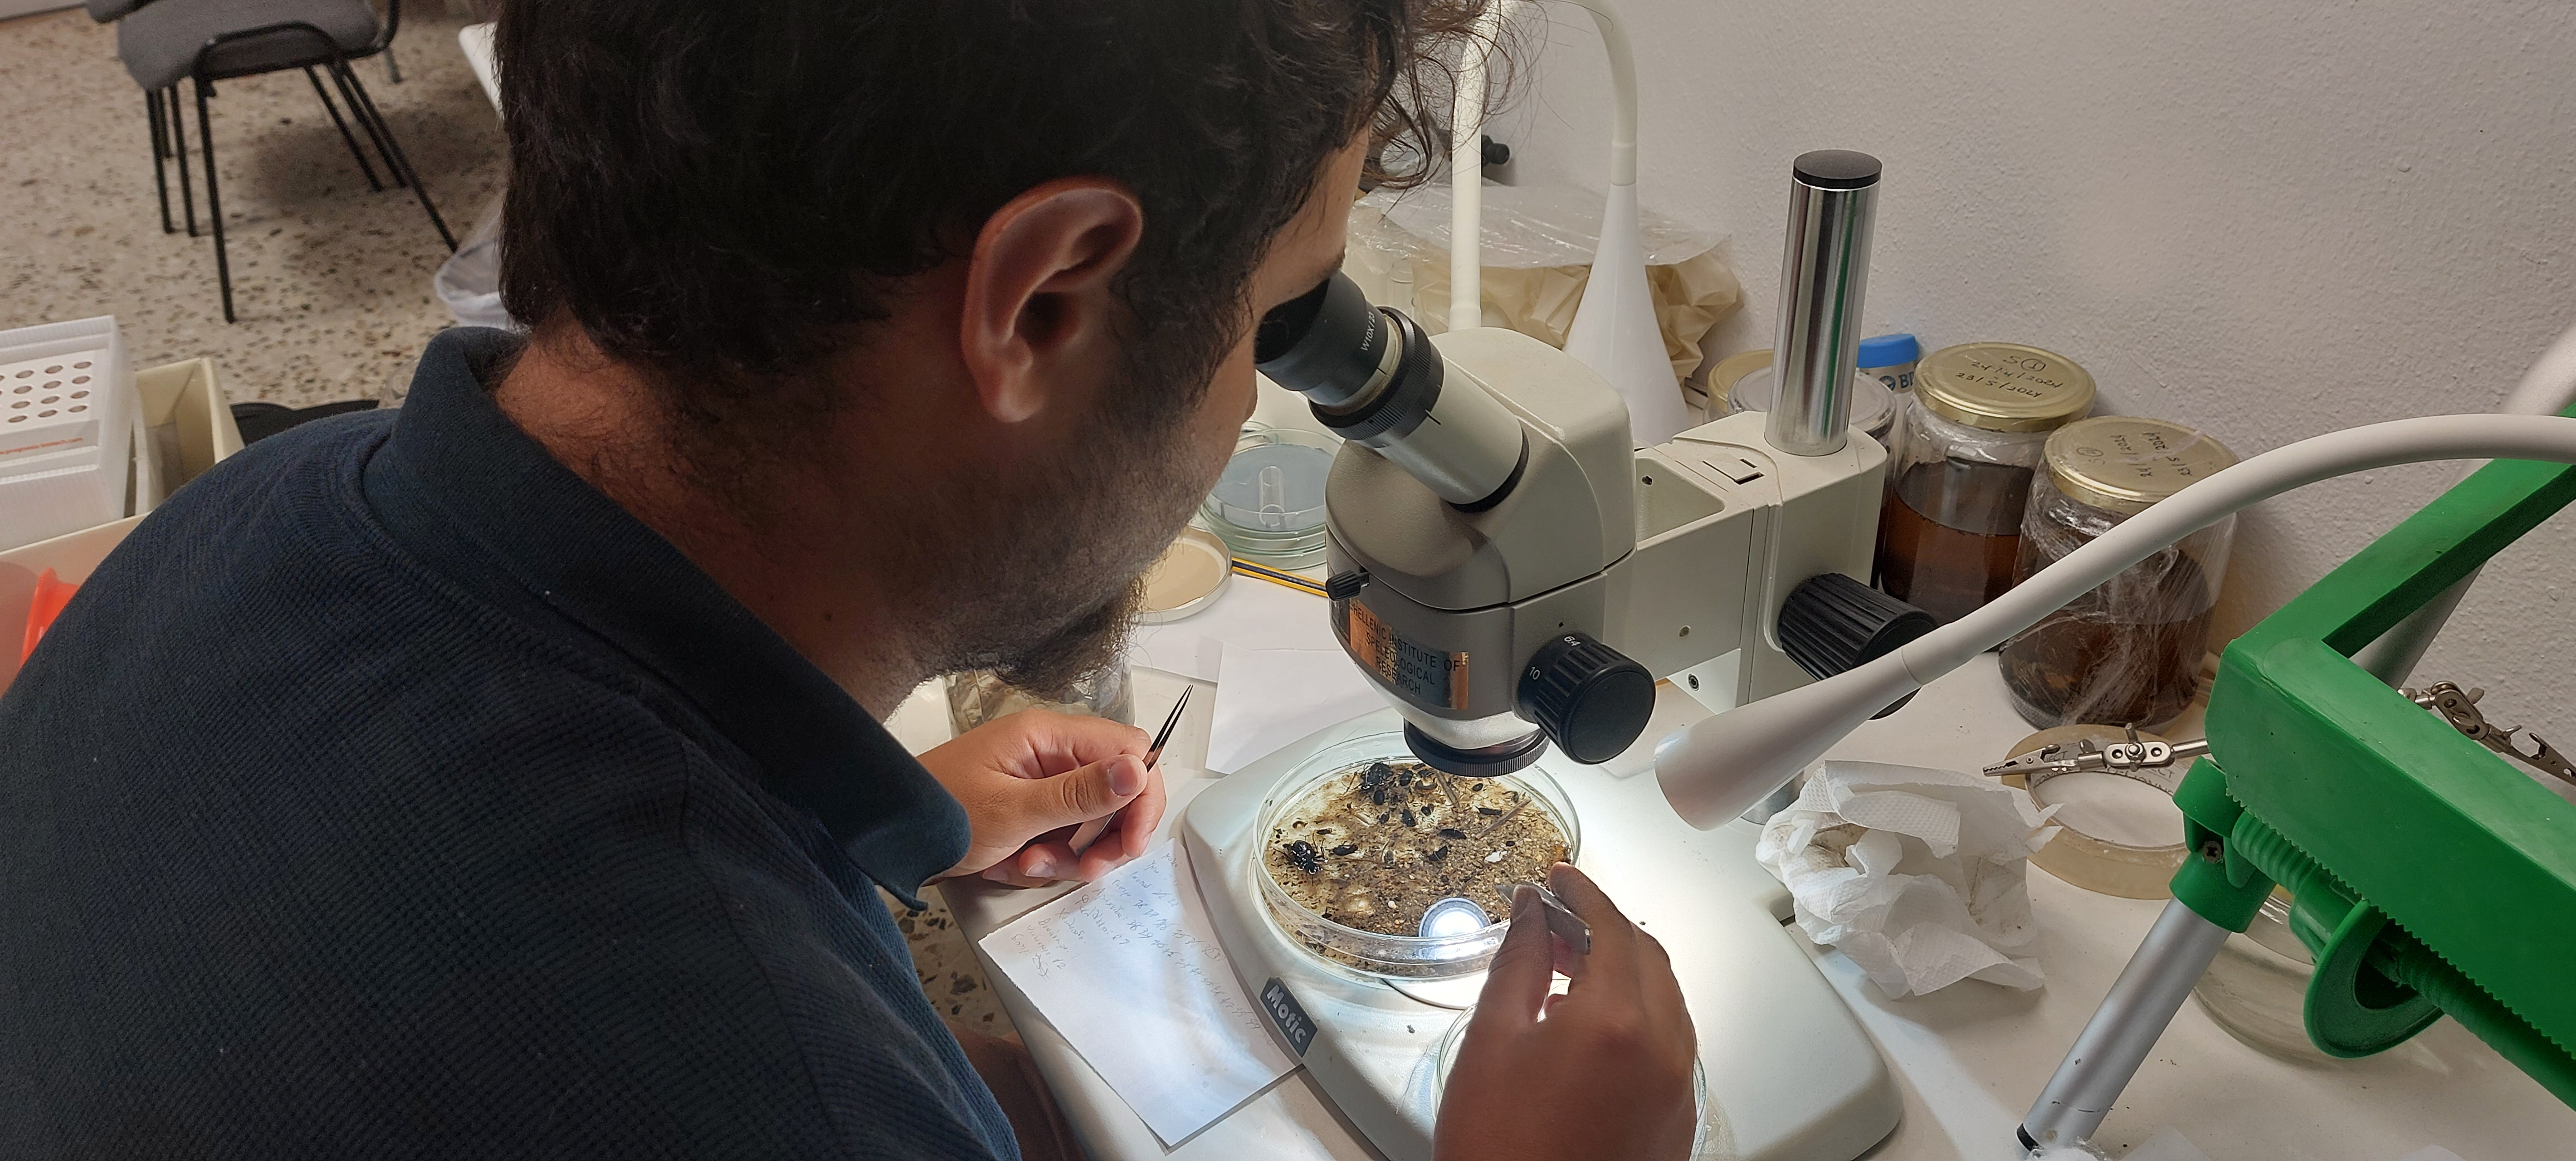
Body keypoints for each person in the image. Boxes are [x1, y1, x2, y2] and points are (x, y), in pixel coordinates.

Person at [0, 1, 1696, 1158]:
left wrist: (841, 816)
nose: (1253, 399)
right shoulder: (764, 1083)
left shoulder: (258, 511)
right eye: (1276, 317)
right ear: (1038, 303)